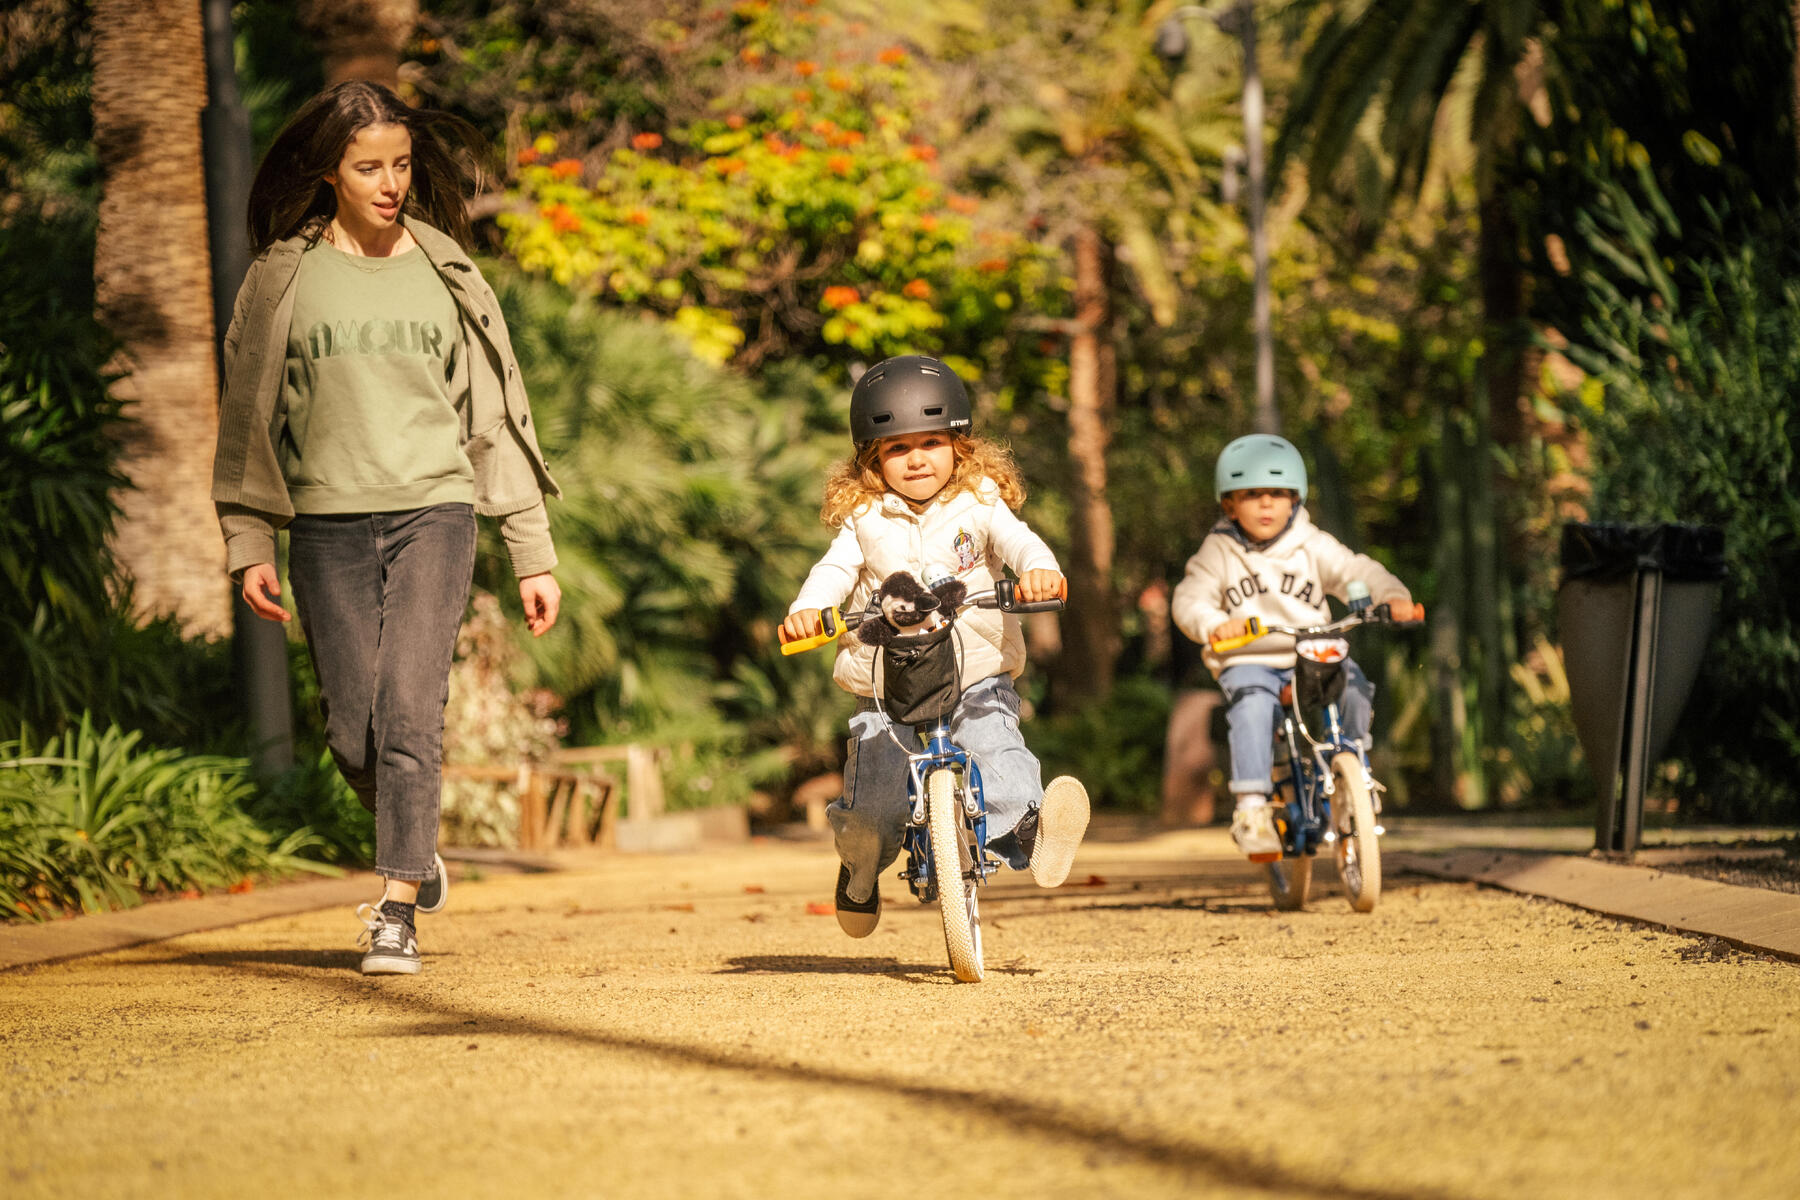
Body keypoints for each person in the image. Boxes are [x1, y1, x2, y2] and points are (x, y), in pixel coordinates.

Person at [210, 81, 562, 975]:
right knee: (349, 732)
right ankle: (417, 838)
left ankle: (396, 905)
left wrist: (531, 553)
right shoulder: (282, 277)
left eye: (401, 165)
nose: (391, 182)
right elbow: (249, 418)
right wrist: (248, 540)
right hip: (324, 524)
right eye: (369, 167)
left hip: (434, 512)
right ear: (329, 171)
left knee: (410, 709)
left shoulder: (449, 272)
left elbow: (496, 419)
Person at [780, 355, 1090, 936]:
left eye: (930, 441)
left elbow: (1021, 545)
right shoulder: (863, 518)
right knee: (873, 803)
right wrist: (804, 612)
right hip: (884, 682)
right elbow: (832, 573)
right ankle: (860, 870)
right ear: (871, 458)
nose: (916, 458)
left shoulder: (980, 502)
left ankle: (1031, 830)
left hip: (974, 672)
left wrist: (1039, 572)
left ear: (960, 445)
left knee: (998, 751)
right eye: (897, 448)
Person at [1169, 435, 1413, 858]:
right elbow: (1189, 599)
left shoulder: (1311, 543)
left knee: (1352, 684)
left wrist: (1390, 595)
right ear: (1229, 505)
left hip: (1313, 651)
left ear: (1295, 500)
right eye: (1252, 495)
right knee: (1251, 703)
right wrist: (1213, 624)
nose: (1266, 504)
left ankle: (1355, 773)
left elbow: (1355, 568)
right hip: (1251, 658)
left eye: (1278, 494)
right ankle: (1251, 809)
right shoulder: (1219, 551)